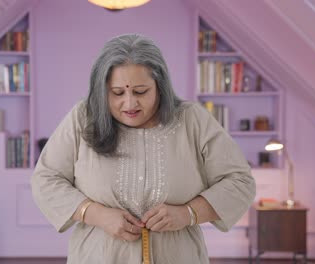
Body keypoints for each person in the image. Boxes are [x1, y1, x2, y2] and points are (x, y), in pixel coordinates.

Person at [31, 33, 256, 264]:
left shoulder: (192, 120)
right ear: (102, 90)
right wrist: (95, 214)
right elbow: (46, 179)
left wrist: (188, 213)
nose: (129, 103)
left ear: (160, 86)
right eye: (117, 93)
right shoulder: (84, 117)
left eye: (140, 91)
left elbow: (240, 181)